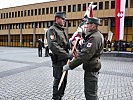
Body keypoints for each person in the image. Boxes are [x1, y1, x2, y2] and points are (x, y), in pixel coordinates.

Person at [63, 17, 104, 100]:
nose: (86, 25)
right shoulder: (95, 35)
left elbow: (85, 55)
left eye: (88, 24)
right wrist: (82, 35)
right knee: (90, 92)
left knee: (90, 94)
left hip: (92, 68)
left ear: (93, 25)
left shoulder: (94, 38)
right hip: (92, 66)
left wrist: (70, 66)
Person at [46, 12, 72, 100]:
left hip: (65, 60)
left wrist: (71, 49)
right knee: (58, 80)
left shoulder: (62, 30)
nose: (64, 21)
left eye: (64, 19)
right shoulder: (52, 30)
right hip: (58, 60)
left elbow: (66, 44)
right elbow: (53, 46)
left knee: (64, 80)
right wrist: (67, 55)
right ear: (57, 19)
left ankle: (60, 96)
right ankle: (55, 97)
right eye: (62, 19)